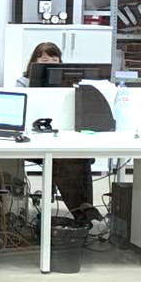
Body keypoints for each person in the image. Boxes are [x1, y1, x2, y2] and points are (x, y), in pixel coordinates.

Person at [19, 40, 99, 225]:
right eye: (44, 61)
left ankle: (85, 209)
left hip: (61, 138)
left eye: (54, 61)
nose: (49, 65)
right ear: (34, 62)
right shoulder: (22, 83)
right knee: (64, 160)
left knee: (79, 157)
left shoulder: (69, 85)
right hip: (33, 142)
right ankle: (81, 213)